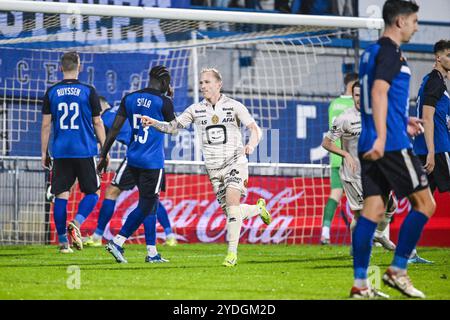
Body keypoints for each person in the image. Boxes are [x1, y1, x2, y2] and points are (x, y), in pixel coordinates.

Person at [140, 67, 272, 267]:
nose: (203, 86)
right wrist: (154, 122)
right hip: (213, 169)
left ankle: (231, 254)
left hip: (235, 162)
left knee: (232, 204)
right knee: (231, 212)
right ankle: (257, 209)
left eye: (207, 82)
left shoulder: (234, 106)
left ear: (219, 84)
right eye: (201, 82)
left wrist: (251, 144)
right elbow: (174, 128)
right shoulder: (196, 109)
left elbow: (255, 129)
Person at [351, 0, 436, 299]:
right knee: (426, 205)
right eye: (414, 21)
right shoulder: (390, 51)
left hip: (371, 141)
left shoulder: (370, 51)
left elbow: (380, 94)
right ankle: (398, 270)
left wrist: (403, 119)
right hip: (389, 144)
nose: (416, 27)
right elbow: (378, 92)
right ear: (400, 21)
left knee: (372, 211)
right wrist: (385, 136)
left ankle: (360, 284)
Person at [96, 65, 175, 264]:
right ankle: (118, 241)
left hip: (132, 158)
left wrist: (103, 155)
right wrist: (170, 101)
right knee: (148, 204)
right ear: (165, 82)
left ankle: (152, 252)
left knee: (151, 205)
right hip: (152, 162)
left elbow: (113, 130)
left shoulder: (129, 98)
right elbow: (174, 129)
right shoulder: (164, 102)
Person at [83, 97, 178, 250]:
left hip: (135, 157)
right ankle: (169, 236)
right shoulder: (120, 109)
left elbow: (103, 138)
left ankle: (97, 236)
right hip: (152, 157)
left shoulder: (105, 118)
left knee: (111, 192)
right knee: (150, 199)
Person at [41, 51, 106, 253]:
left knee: (61, 195)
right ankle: (76, 222)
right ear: (80, 67)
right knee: (93, 192)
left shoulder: (51, 92)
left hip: (61, 151)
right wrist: (104, 149)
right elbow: (97, 121)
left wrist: (44, 152)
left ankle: (62, 243)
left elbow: (45, 125)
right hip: (84, 149)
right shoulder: (88, 91)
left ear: (60, 68)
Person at [321, 82, 396, 253]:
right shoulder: (344, 118)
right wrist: (345, 154)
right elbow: (326, 143)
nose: (359, 99)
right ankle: (361, 245)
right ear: (352, 96)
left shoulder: (376, 114)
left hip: (375, 171)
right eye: (356, 95)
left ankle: (376, 235)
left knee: (391, 207)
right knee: (361, 215)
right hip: (353, 174)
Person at [409, 40, 450, 264]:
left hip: (426, 148)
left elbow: (435, 116)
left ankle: (409, 252)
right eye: (449, 55)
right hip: (438, 149)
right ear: (438, 58)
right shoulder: (435, 81)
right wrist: (433, 152)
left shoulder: (430, 81)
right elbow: (427, 116)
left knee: (423, 202)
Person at [321, 72, 358, 245]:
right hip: (352, 158)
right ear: (353, 88)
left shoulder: (334, 104)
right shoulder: (353, 105)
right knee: (361, 201)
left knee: (335, 194)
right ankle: (365, 239)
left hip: (335, 157)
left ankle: (325, 232)